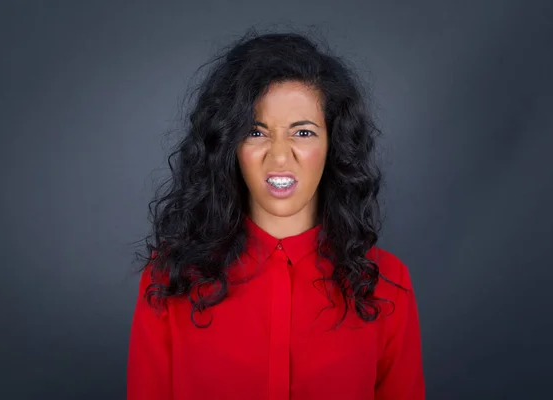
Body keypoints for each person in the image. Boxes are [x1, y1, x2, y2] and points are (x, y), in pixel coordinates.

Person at [127, 29, 425, 400]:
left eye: (303, 132)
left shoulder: (388, 284)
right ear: (229, 146)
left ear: (334, 145)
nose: (280, 156)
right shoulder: (168, 279)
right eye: (255, 132)